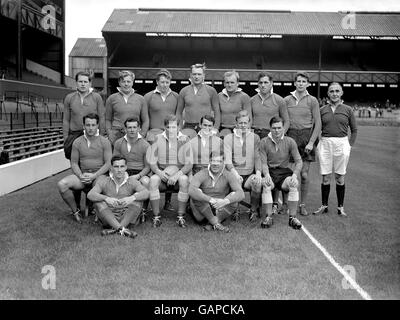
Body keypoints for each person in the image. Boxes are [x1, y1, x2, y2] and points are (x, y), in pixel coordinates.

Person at [57, 113, 112, 223]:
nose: (90, 128)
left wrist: (94, 176)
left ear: (97, 126)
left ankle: (98, 211)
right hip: (83, 176)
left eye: (93, 125)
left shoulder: (105, 142)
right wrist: (81, 175)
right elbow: (74, 163)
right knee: (62, 185)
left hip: (99, 176)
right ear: (83, 126)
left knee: (101, 185)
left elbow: (108, 163)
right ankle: (75, 211)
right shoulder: (77, 142)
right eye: (88, 125)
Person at [313, 83, 357, 217]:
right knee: (326, 177)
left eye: (337, 91)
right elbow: (316, 128)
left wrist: (349, 145)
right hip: (325, 143)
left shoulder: (348, 109)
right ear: (328, 93)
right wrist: (316, 145)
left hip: (342, 143)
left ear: (342, 93)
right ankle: (324, 205)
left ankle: (340, 207)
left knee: (339, 177)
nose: (334, 93)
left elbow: (354, 130)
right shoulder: (322, 109)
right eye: (332, 91)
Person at [284, 71, 321, 216]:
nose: (300, 83)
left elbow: (318, 123)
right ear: (295, 83)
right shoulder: (287, 100)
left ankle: (302, 205)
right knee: (287, 174)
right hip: (291, 136)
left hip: (306, 138)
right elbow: (285, 121)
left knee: (304, 175)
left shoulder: (312, 100)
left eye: (303, 81)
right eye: (298, 81)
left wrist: (311, 142)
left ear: (308, 84)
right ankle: (286, 204)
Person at [147, 114, 192, 228]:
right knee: (152, 180)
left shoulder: (185, 139)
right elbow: (152, 162)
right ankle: (156, 216)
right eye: (168, 127)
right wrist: (159, 173)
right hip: (162, 172)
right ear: (164, 127)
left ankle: (180, 216)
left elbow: (189, 164)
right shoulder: (157, 138)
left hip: (179, 172)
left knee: (184, 180)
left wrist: (176, 175)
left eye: (173, 127)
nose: (171, 130)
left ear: (178, 127)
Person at [87, 156, 149, 238]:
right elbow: (90, 194)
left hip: (126, 216)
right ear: (111, 168)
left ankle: (116, 229)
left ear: (126, 167)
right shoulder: (104, 181)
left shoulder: (132, 181)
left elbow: (146, 193)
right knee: (98, 202)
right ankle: (122, 229)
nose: (119, 170)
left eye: (122, 166)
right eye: (116, 166)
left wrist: (131, 198)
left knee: (138, 200)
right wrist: (106, 198)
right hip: (108, 217)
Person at [259, 116, 303, 230]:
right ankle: (268, 217)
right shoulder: (264, 142)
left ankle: (292, 218)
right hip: (270, 172)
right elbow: (263, 163)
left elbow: (299, 161)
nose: (276, 130)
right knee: (266, 185)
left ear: (283, 128)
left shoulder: (290, 141)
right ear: (270, 128)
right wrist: (267, 174)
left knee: (294, 184)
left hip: (284, 173)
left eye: (279, 128)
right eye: (274, 128)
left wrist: (294, 175)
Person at [188, 150, 245, 232]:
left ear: (223, 163)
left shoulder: (229, 175)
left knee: (234, 196)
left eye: (219, 161)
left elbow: (241, 194)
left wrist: (225, 201)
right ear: (209, 161)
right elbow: (191, 190)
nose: (215, 164)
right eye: (213, 161)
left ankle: (212, 223)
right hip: (202, 210)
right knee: (197, 194)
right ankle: (216, 223)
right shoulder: (202, 173)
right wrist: (211, 200)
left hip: (219, 209)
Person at [223, 110, 262, 220]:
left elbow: (257, 157)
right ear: (236, 124)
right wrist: (235, 174)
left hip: (249, 174)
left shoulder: (255, 137)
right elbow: (227, 160)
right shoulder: (228, 138)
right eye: (241, 123)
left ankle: (253, 210)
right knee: (236, 182)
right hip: (233, 174)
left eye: (245, 123)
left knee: (257, 183)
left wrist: (258, 173)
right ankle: (236, 209)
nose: (243, 125)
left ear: (249, 123)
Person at [62, 71, 105, 160]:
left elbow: (101, 118)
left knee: (91, 162)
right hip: (74, 134)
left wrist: (101, 136)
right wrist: (66, 138)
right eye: (80, 81)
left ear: (89, 83)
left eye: (85, 82)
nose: (83, 84)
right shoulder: (69, 98)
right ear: (76, 83)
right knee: (74, 162)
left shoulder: (97, 97)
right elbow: (66, 120)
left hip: (92, 135)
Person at [176, 63, 220, 139]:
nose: (196, 77)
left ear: (204, 75)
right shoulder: (184, 91)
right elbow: (178, 112)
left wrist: (215, 129)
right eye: (194, 74)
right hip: (188, 126)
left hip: (206, 126)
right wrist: (179, 128)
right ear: (190, 75)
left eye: (199, 74)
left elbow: (217, 112)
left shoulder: (211, 91)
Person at [105, 70, 149, 145]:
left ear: (132, 82)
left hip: (134, 133)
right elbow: (107, 119)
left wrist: (142, 134)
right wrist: (110, 134)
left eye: (128, 81)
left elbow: (145, 120)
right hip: (116, 134)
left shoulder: (141, 99)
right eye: (123, 81)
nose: (126, 84)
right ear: (119, 83)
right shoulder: (112, 98)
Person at [144, 68, 179, 144]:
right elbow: (144, 117)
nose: (165, 85)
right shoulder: (148, 96)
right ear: (157, 82)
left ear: (170, 82)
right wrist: (145, 133)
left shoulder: (176, 96)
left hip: (171, 132)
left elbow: (179, 115)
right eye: (162, 82)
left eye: (167, 82)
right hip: (154, 133)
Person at [250, 72, 289, 140]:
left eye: (266, 82)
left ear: (271, 84)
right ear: (258, 84)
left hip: (271, 134)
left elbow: (287, 121)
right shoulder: (251, 100)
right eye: (260, 82)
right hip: (254, 134)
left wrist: (280, 135)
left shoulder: (279, 100)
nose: (263, 85)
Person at [218, 70, 251, 138]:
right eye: (227, 82)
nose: (229, 85)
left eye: (232, 82)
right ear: (224, 83)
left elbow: (249, 118)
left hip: (239, 130)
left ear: (237, 83)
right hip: (222, 130)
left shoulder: (244, 97)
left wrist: (246, 133)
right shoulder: (219, 96)